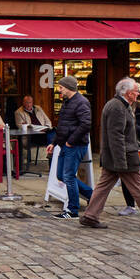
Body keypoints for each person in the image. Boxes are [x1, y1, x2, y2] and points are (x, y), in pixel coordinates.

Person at [78, 78, 140, 232]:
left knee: (103, 186)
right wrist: (121, 163)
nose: (138, 94)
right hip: (123, 157)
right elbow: (116, 136)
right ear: (128, 93)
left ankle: (90, 216)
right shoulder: (117, 107)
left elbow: (123, 134)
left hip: (117, 156)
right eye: (136, 91)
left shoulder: (119, 105)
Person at [47, 76, 93, 219]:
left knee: (68, 176)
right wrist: (54, 143)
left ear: (68, 88)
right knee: (61, 175)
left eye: (61, 87)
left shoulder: (81, 102)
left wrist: (70, 142)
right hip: (65, 144)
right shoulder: (67, 102)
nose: (59, 90)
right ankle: (92, 195)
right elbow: (62, 126)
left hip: (75, 145)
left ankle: (72, 210)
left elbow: (85, 124)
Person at [118, 99, 140, 217]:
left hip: (138, 150)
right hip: (129, 148)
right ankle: (132, 205)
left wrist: (130, 123)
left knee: (136, 180)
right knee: (127, 179)